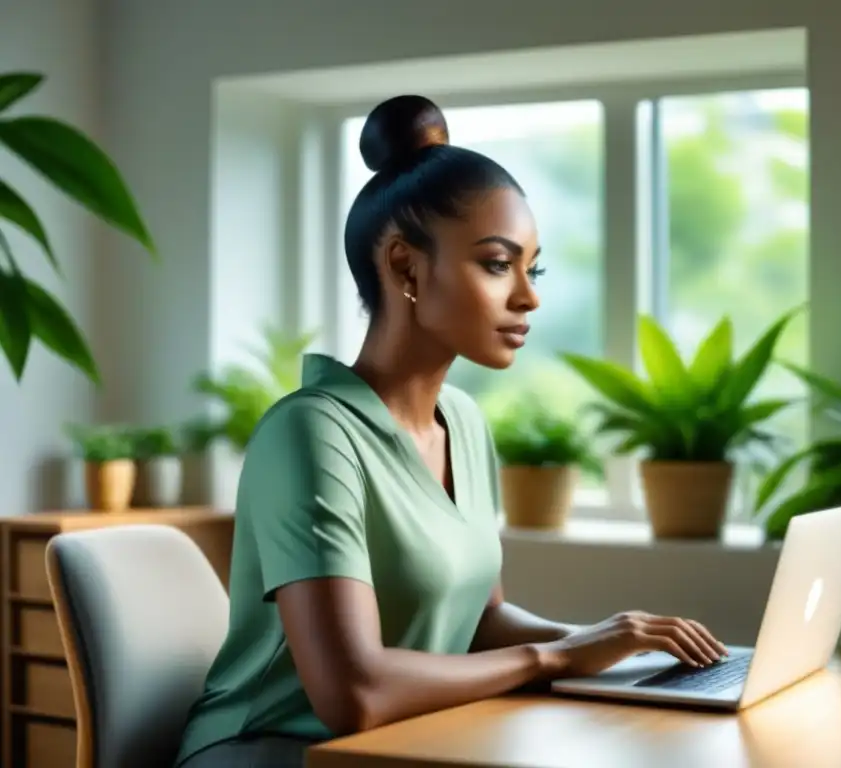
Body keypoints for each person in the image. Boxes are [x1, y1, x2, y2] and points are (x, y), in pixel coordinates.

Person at [174, 95, 727, 768]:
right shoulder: (311, 434)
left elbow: (480, 623)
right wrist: (556, 656)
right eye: (498, 264)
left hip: (407, 744)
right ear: (405, 267)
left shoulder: (462, 421)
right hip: (276, 751)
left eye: (533, 267)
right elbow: (354, 692)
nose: (529, 297)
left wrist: (616, 644)